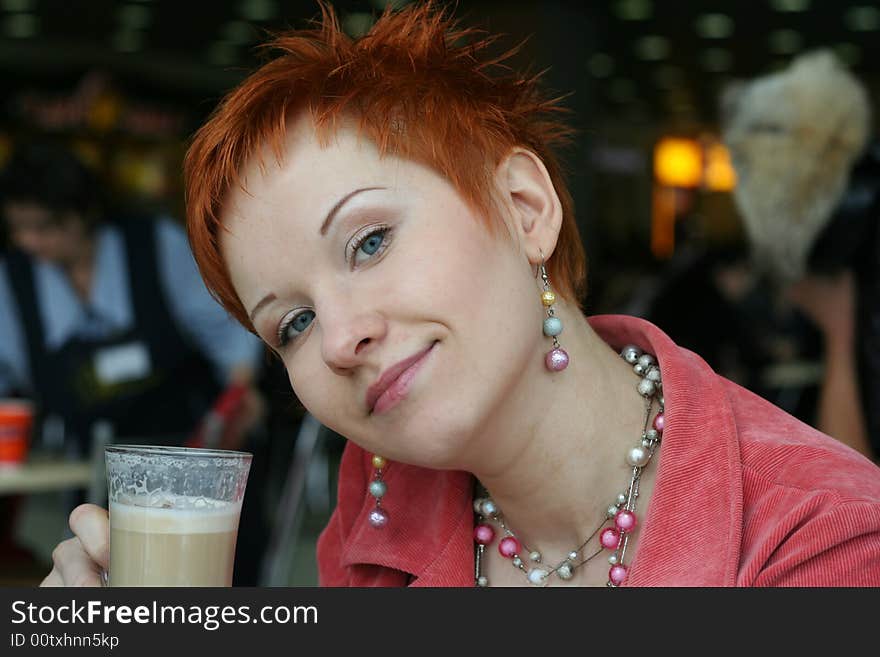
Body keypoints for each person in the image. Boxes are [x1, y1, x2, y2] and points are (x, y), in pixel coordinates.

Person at [42, 2, 880, 588]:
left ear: (525, 209)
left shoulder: (825, 543)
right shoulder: (379, 512)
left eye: (370, 241)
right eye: (290, 322)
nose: (338, 339)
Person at [0, 142, 264, 453]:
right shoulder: (13, 279)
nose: (29, 241)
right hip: (80, 466)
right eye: (18, 228)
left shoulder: (153, 246)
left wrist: (239, 395)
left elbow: (227, 329)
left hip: (187, 450)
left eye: (44, 226)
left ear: (84, 211)